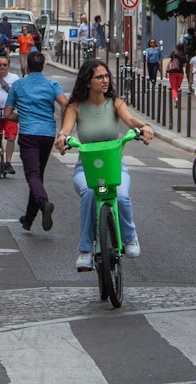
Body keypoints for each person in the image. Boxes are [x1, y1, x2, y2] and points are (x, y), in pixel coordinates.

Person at [56, 57, 153, 269]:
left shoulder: (116, 103)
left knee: (121, 196)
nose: (105, 80)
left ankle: (130, 237)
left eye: (106, 76)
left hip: (114, 166)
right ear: (87, 81)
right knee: (91, 193)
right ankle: (85, 250)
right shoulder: (76, 107)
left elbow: (131, 121)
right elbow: (66, 129)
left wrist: (145, 127)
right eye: (99, 77)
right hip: (88, 169)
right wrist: (62, 138)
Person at [3, 50, 67, 232]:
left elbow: (7, 114)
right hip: (47, 133)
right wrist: (63, 128)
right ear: (43, 65)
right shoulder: (51, 83)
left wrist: (21, 117)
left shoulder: (18, 85)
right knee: (37, 175)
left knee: (32, 175)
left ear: (27, 66)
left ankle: (44, 203)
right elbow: (64, 103)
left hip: (29, 134)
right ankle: (28, 219)